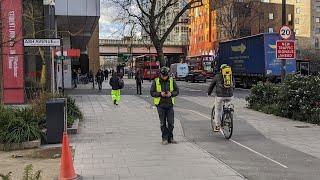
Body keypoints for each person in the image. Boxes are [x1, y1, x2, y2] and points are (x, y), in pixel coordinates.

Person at [150, 67, 179, 145]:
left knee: (171, 123)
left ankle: (170, 137)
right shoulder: (156, 81)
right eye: (163, 75)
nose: (164, 77)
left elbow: (177, 91)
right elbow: (152, 92)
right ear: (161, 74)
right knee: (163, 123)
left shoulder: (172, 80)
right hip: (160, 105)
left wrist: (171, 93)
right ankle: (164, 138)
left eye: (166, 75)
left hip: (170, 105)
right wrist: (160, 94)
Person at [207, 64, 234, 132]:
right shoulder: (230, 75)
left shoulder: (217, 76)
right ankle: (228, 116)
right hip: (230, 95)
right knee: (229, 106)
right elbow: (233, 85)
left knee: (217, 110)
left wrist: (209, 93)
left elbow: (211, 86)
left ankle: (217, 126)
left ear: (220, 70)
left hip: (220, 96)